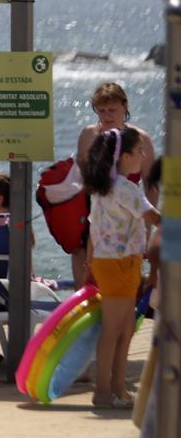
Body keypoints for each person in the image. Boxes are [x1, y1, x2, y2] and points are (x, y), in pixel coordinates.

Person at [79, 126, 160, 409]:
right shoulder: (125, 188)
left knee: (125, 329)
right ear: (124, 157)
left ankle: (118, 388)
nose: (144, 155)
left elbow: (93, 230)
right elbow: (153, 217)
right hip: (120, 265)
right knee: (114, 329)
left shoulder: (103, 187)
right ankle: (102, 391)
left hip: (112, 263)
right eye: (139, 151)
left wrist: (90, 265)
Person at [73, 82, 157, 287]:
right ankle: (84, 297)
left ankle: (123, 306)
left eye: (112, 110)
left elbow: (151, 185)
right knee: (82, 254)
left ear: (125, 107)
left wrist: (147, 227)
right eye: (101, 110)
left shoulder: (140, 139)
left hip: (128, 211)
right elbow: (80, 175)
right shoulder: (88, 135)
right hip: (94, 206)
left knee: (125, 264)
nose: (106, 115)